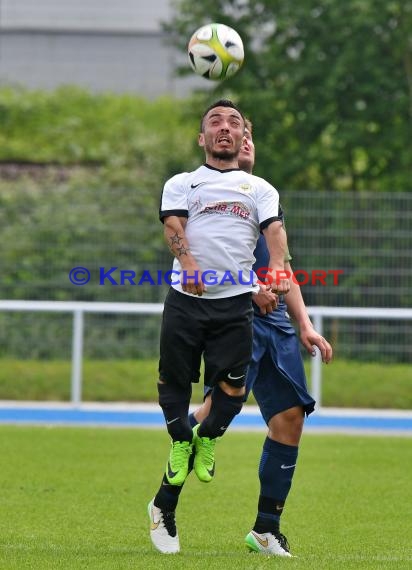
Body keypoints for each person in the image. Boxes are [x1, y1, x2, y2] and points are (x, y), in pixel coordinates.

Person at [148, 99, 291, 554]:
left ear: (240, 135)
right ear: (202, 138)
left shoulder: (259, 188)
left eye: (233, 122)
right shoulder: (182, 182)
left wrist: (281, 268)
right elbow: (174, 223)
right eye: (215, 122)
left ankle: (203, 439)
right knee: (173, 382)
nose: (224, 128)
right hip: (186, 304)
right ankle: (179, 445)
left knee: (231, 394)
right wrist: (187, 260)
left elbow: (274, 232)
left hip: (234, 308)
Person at [189, 122, 333, 557]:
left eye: (249, 132)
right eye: (234, 131)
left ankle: (266, 530)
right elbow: (203, 257)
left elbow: (282, 268)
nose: (242, 138)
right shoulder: (206, 194)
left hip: (277, 326)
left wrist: (305, 325)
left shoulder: (264, 199)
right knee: (216, 413)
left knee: (290, 418)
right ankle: (166, 494)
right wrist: (249, 289)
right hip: (235, 316)